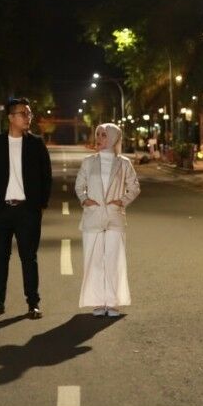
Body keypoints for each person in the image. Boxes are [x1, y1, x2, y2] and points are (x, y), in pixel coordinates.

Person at [0, 96, 52, 320]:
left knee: (29, 258)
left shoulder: (36, 144)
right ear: (10, 117)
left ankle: (33, 303)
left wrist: (40, 205)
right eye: (23, 113)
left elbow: (46, 176)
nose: (28, 117)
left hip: (27, 211)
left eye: (29, 113)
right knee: (0, 258)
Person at [75, 123, 141, 318]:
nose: (99, 138)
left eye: (104, 135)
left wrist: (121, 201)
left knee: (114, 260)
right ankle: (98, 302)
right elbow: (79, 185)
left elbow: (134, 187)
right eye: (98, 134)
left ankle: (112, 303)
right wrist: (85, 200)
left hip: (114, 217)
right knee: (94, 261)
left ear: (113, 138)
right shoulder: (88, 162)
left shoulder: (124, 163)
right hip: (93, 217)